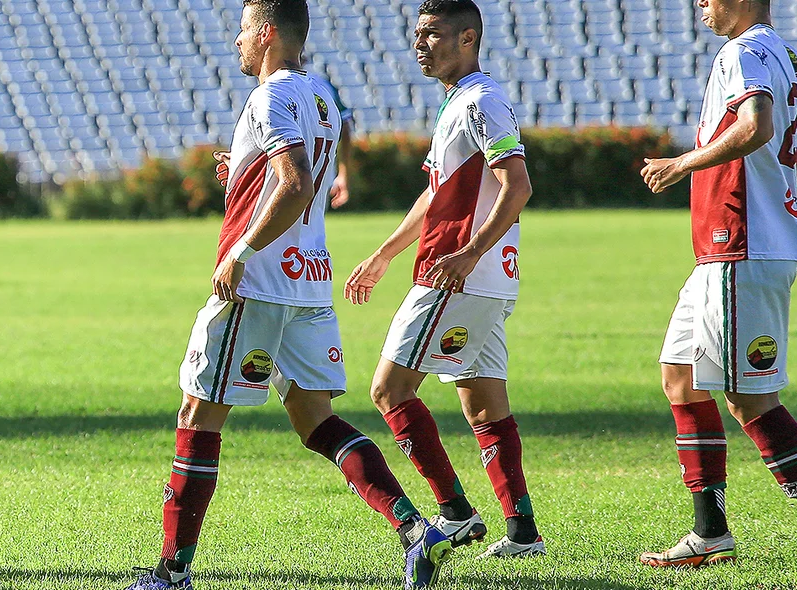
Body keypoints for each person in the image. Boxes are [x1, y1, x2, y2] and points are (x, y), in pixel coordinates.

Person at [124, 1, 452, 588]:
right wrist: (245, 173)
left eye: (245, 29)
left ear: (268, 32)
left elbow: (296, 181)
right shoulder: (321, 94)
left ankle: (170, 572)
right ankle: (414, 527)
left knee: (198, 415)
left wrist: (240, 252)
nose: (237, 40)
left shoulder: (270, 96)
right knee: (314, 419)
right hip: (308, 281)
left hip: (259, 284)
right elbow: (296, 174)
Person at [638, 0, 797, 572]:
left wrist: (684, 164)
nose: (700, 3)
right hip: (729, 249)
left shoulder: (744, 51)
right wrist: (786, 184)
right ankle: (710, 533)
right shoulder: (790, 59)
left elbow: (756, 127)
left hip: (742, 246)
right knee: (680, 376)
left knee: (749, 399)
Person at [345, 0, 543, 560]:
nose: (419, 45)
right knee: (483, 403)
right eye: (416, 35)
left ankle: (454, 514)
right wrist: (384, 254)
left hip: (456, 276)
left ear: (467, 38)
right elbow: (437, 193)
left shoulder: (481, 100)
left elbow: (518, 185)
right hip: (483, 280)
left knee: (389, 389)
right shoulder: (459, 104)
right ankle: (522, 532)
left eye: (432, 34)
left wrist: (467, 253)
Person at [300, 53, 357, 208]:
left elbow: (345, 126)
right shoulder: (269, 89)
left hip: (316, 176)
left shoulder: (321, 86)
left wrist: (343, 174)